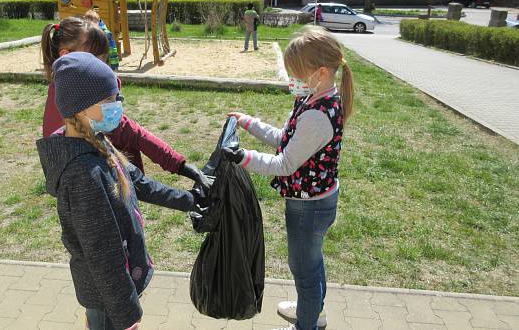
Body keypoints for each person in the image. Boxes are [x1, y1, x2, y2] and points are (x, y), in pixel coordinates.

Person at [36, 52, 207, 330]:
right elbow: (103, 254)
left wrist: (189, 200)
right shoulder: (84, 174)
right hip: (108, 299)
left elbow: (138, 182)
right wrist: (126, 313)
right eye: (108, 100)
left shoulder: (98, 141)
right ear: (80, 107)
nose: (117, 105)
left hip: (114, 291)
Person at [222, 26, 354, 330]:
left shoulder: (318, 115)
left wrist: (244, 159)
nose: (291, 79)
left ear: (320, 72)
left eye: (296, 73)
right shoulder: (311, 98)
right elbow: (285, 138)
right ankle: (312, 310)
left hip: (310, 207)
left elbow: (285, 163)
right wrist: (249, 123)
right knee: (311, 264)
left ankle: (305, 323)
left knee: (304, 270)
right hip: (314, 200)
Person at [40, 18, 212, 191]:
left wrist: (181, 166)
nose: (102, 68)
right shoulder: (74, 118)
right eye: (94, 60)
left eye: (103, 61)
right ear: (67, 56)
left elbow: (132, 134)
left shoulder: (90, 98)